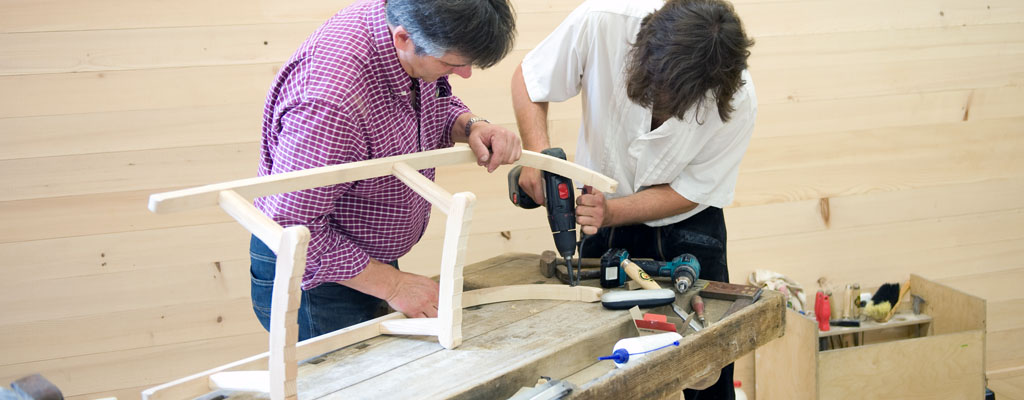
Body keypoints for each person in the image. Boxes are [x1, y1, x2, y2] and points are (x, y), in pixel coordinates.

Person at [511, 0, 756, 398]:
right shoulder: (603, 21)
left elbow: (692, 191)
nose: (658, 106)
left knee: (706, 369)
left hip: (689, 223)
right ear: (641, 52)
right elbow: (528, 79)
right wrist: (537, 156)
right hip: (600, 221)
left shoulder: (739, 99)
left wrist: (613, 212)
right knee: (603, 368)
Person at [250, 0, 520, 341]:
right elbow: (290, 229)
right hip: (314, 281)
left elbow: (429, 100)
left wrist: (471, 125)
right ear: (404, 40)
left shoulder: (407, 19)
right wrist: (393, 285)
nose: (465, 73)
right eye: (453, 64)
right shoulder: (330, 101)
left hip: (360, 259)